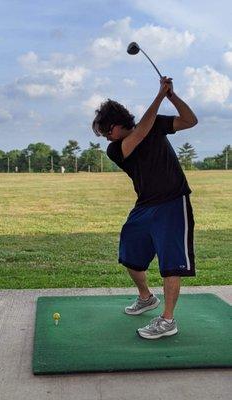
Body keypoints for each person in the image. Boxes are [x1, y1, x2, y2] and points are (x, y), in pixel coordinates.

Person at [92, 77, 198, 339]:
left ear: (117, 124)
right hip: (145, 205)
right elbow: (140, 133)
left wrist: (171, 96)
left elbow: (190, 120)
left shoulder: (157, 124)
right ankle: (146, 297)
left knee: (171, 261)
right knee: (130, 252)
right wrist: (159, 96)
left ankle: (168, 320)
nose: (105, 136)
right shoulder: (115, 149)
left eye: (107, 130)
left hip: (173, 202)